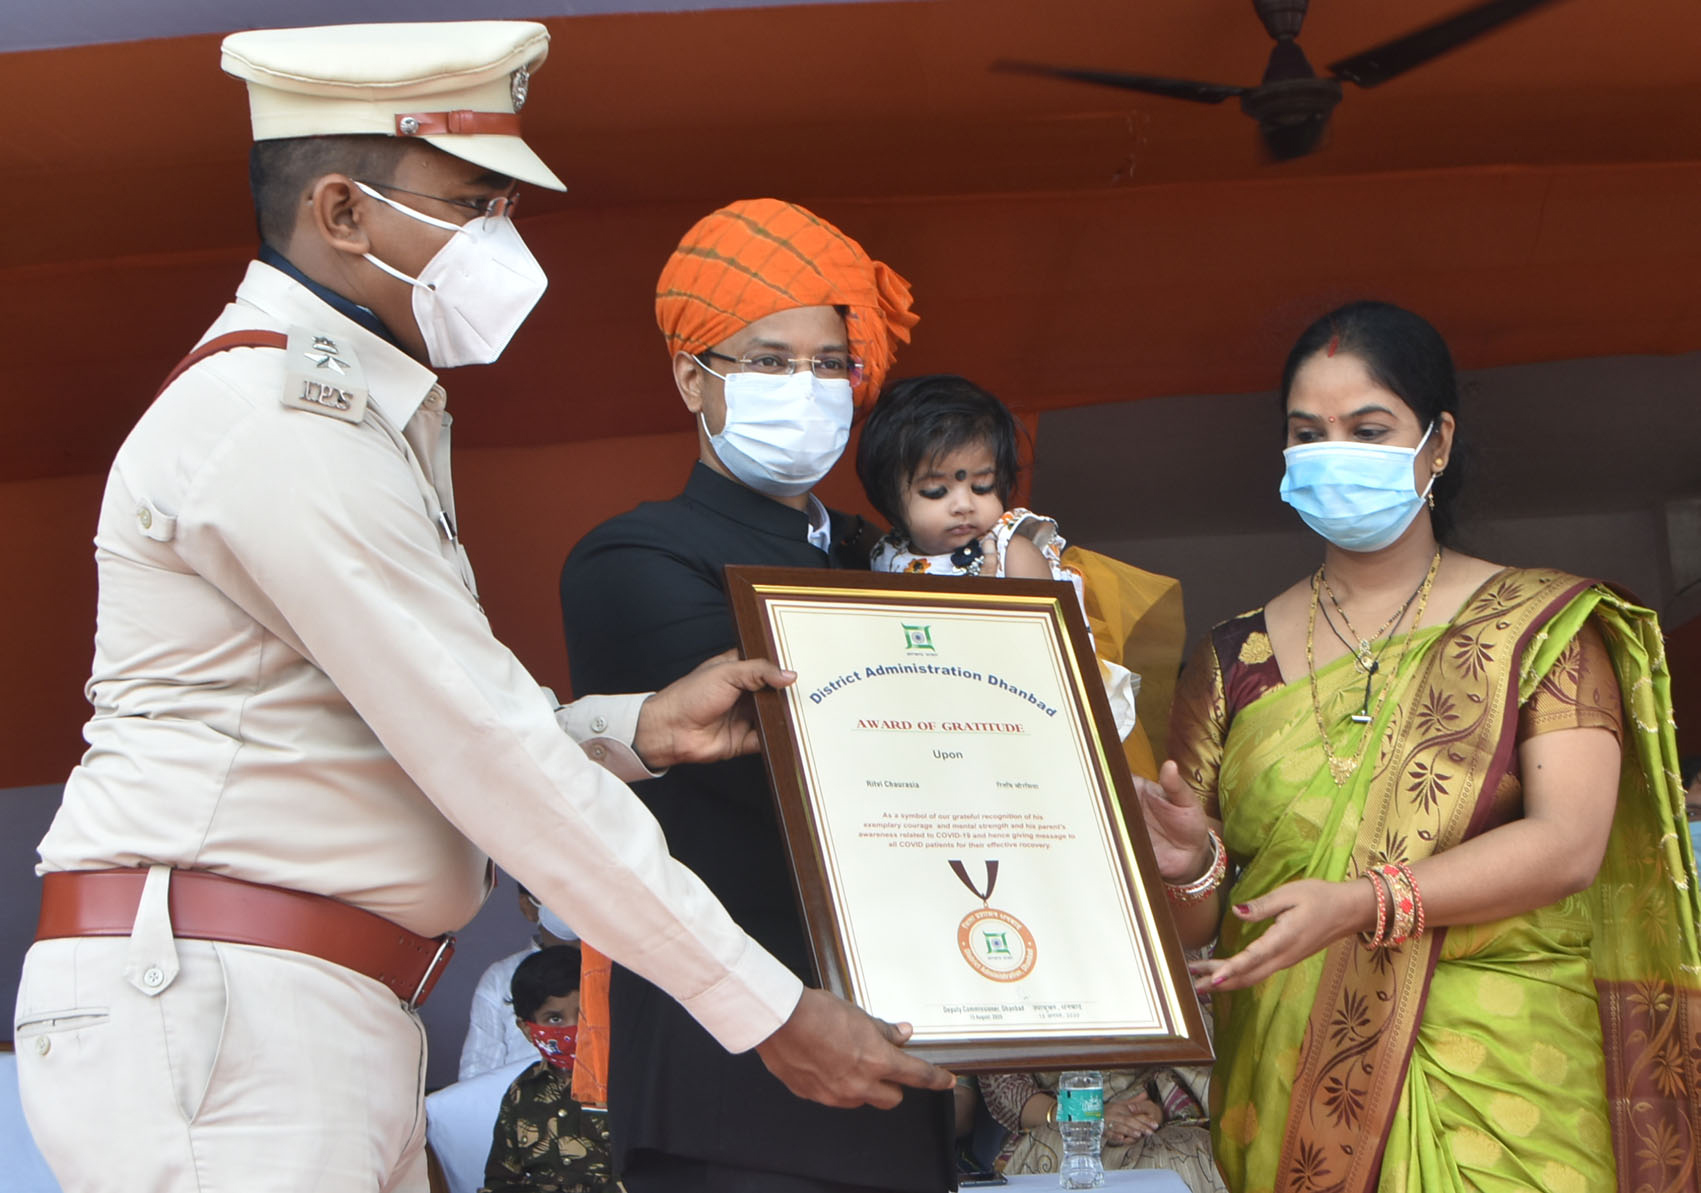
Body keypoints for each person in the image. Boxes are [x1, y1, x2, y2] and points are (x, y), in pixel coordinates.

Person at [12, 26, 948, 1193]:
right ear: (344, 214)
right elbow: (481, 747)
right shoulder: (276, 426)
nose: (499, 240)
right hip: (230, 1003)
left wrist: (629, 731)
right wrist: (762, 1005)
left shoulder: (352, 414)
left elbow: (408, 725)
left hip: (293, 1000)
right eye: (470, 201)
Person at [1138, 300, 1701, 1191]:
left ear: (1435, 443)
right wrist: (1187, 868)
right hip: (1292, 1086)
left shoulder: (1541, 628)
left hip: (1506, 1078)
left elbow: (1567, 844)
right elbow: (1205, 928)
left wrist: (1363, 902)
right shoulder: (1227, 657)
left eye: (1367, 429)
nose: (1335, 454)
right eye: (1307, 432)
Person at [560, 198, 956, 1192]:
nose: (809, 387)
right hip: (731, 1096)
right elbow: (790, 764)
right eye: (769, 361)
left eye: (830, 363)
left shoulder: (884, 554)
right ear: (694, 377)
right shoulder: (635, 554)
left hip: (894, 1073)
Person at [854, 373, 1138, 741]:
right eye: (936, 491)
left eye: (982, 486)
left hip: (1015, 721)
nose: (964, 505)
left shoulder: (1011, 553)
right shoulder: (884, 555)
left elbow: (1049, 656)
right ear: (888, 497)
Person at [481, 946, 613, 1193]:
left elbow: (649, 1174)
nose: (574, 1028)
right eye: (554, 1019)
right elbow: (501, 1181)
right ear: (528, 1029)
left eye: (583, 1014)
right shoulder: (521, 1092)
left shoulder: (624, 1082)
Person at [977, 1069, 1223, 1192]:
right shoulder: (1012, 976)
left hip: (1162, 1117)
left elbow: (1194, 1051)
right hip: (1062, 1124)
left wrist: (1153, 1109)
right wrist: (1086, 1115)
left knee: (1205, 1160)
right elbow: (1006, 1090)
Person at [461, 887, 581, 1081]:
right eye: (556, 893)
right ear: (528, 907)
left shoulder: (624, 971)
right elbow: (477, 1074)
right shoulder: (501, 978)